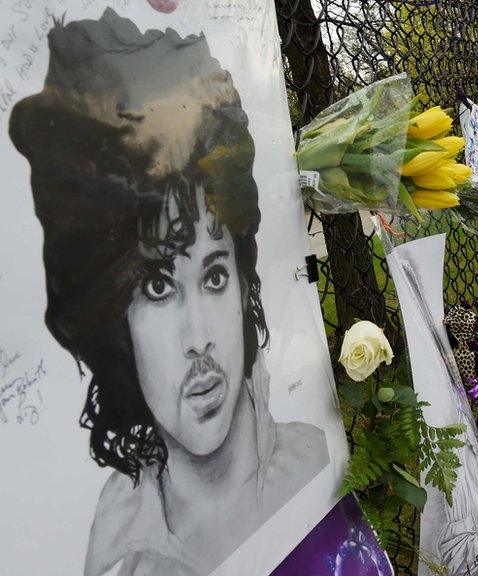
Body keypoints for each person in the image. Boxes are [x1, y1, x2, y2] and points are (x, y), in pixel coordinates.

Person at [7, 11, 329, 576]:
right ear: (115, 320)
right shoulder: (120, 561)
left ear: (243, 281)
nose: (199, 339)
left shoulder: (317, 464)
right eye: (157, 286)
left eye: (213, 276)